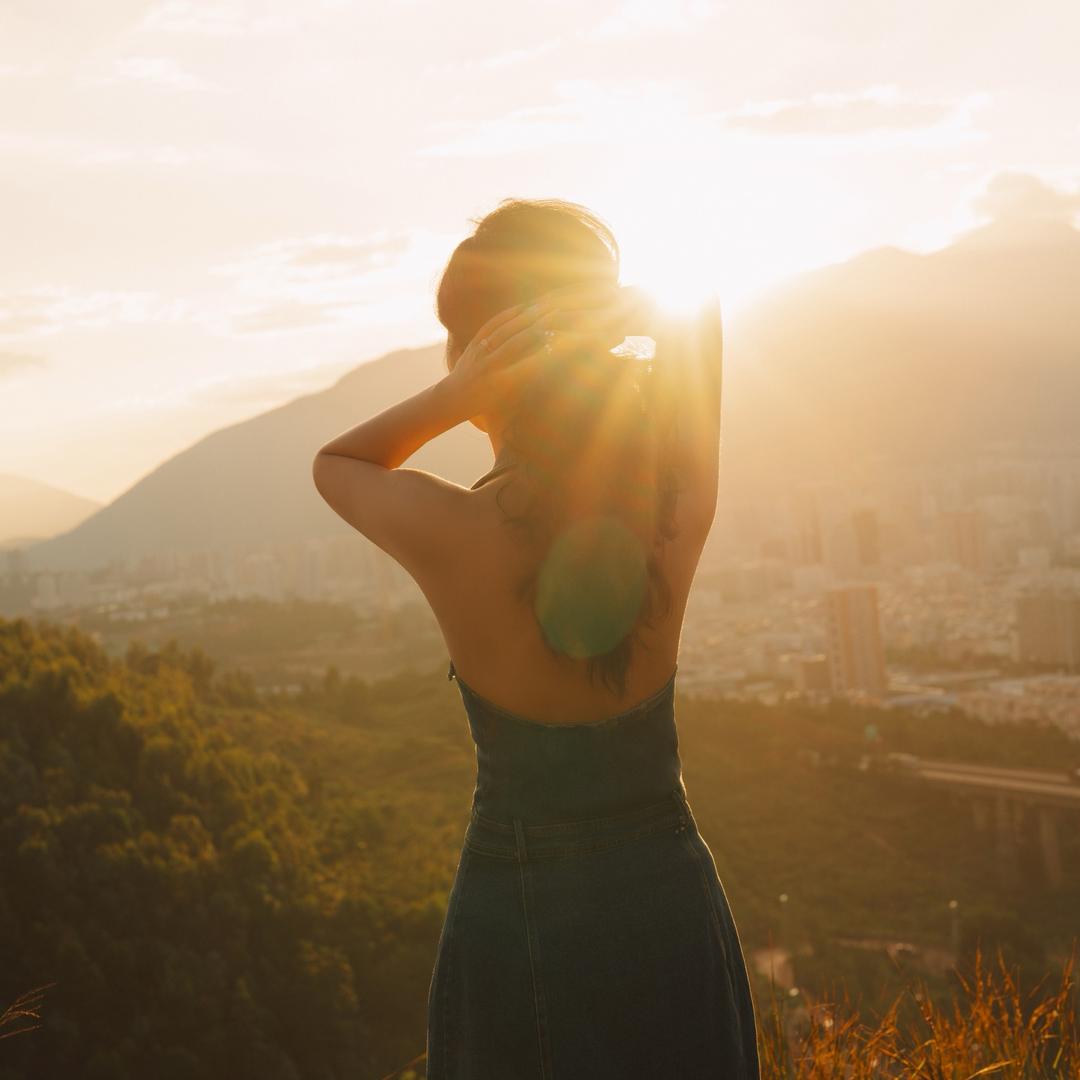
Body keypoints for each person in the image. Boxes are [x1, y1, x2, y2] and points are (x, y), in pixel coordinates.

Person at [312, 198, 760, 1078]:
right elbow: (702, 312)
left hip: (516, 912)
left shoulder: (455, 534)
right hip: (666, 898)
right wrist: (600, 315)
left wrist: (452, 397)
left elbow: (337, 465)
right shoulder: (679, 510)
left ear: (484, 359)